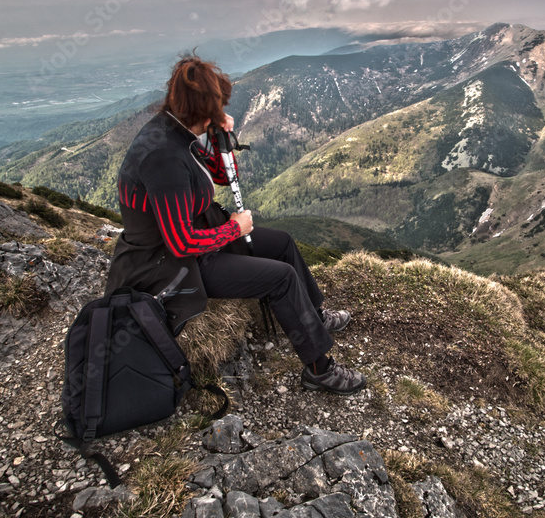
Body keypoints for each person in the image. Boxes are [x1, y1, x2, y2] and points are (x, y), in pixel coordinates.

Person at [104, 54, 366, 395]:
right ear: (204, 108)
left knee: (283, 242)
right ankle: (319, 368)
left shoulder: (174, 131)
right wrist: (234, 230)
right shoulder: (162, 157)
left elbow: (223, 176)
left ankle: (313, 317)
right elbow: (180, 244)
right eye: (218, 105)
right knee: (281, 278)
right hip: (172, 265)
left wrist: (217, 136)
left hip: (198, 236)